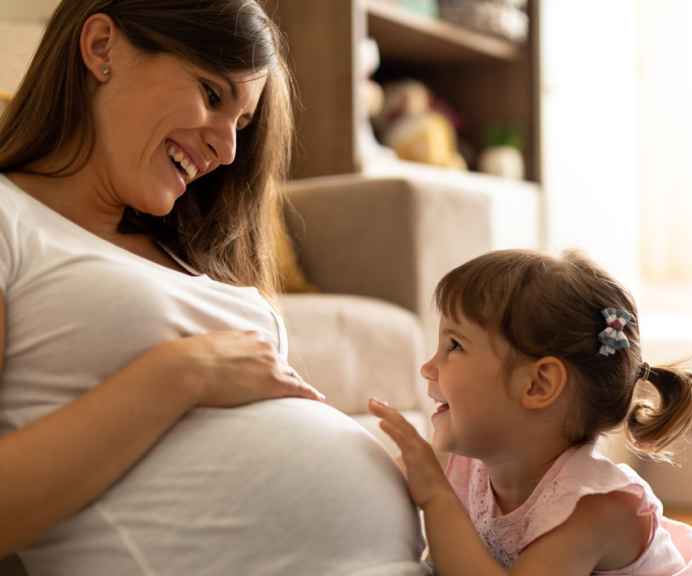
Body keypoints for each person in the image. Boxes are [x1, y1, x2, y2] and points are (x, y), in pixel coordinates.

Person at [0, 1, 426, 574]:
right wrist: (181, 373)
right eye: (211, 94)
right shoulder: (10, 218)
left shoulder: (185, 247)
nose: (227, 151)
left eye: (241, 125)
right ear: (102, 48)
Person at [370, 249, 692, 575]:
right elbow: (363, 481)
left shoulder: (595, 509)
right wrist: (314, 419)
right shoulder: (463, 459)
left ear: (538, 384)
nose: (428, 368)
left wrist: (436, 497)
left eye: (454, 346)